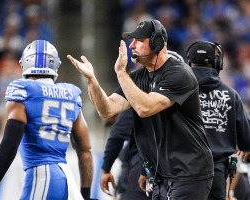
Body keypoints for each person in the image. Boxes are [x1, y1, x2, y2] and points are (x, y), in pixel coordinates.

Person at [68, 20, 214, 200]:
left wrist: (121, 73)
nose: (132, 45)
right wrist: (92, 80)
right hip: (161, 174)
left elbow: (145, 108)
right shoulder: (139, 77)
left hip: (190, 173)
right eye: (132, 40)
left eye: (139, 40)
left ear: (157, 43)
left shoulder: (179, 74)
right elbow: (107, 110)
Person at [0, 40, 94, 200]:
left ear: (25, 63)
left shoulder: (23, 90)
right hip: (66, 180)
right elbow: (85, 150)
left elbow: (10, 143)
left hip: (41, 175)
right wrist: (86, 194)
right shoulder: (71, 94)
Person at [100, 50, 184, 200]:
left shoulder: (139, 92)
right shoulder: (188, 97)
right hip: (181, 168)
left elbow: (118, 133)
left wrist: (106, 168)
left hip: (143, 167)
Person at [186, 41, 250, 200]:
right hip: (216, 174)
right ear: (217, 63)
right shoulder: (231, 95)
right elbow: (246, 142)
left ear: (188, 63)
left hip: (181, 173)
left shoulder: (174, 93)